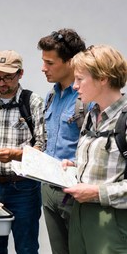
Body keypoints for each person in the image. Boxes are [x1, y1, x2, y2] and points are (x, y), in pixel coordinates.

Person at [0, 50, 45, 254]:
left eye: (8, 77)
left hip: (23, 187)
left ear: (20, 74)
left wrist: (15, 155)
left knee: (26, 247)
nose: (1, 82)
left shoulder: (32, 102)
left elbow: (41, 146)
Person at [62, 45, 127, 254]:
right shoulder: (91, 115)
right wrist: (76, 166)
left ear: (103, 78)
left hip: (111, 221)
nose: (74, 86)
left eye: (80, 79)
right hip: (80, 215)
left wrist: (97, 192)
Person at [37, 29, 87, 254]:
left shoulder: (86, 100)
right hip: (48, 188)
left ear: (70, 62)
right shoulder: (50, 97)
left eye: (50, 62)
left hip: (74, 190)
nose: (43, 68)